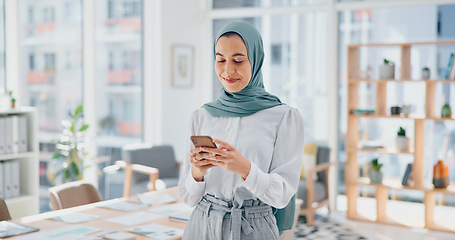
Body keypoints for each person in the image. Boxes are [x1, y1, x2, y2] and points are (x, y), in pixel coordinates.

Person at [178, 21, 304, 240]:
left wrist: (245, 169)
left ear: (255, 60)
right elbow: (187, 197)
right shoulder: (202, 116)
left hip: (254, 227)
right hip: (201, 225)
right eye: (220, 60)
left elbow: (283, 193)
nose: (228, 70)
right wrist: (197, 173)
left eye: (238, 60)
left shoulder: (284, 117)